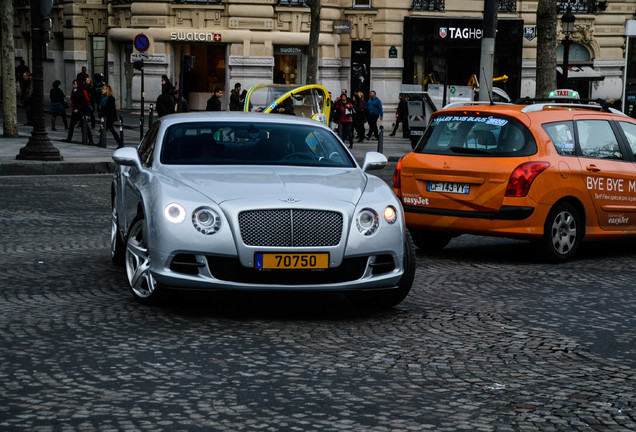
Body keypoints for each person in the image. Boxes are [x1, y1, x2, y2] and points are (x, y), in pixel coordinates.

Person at [63, 80, 94, 144]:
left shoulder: (81, 92)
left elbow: (83, 102)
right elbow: (74, 100)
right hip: (76, 110)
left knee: (84, 125)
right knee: (72, 124)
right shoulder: (74, 91)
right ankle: (69, 137)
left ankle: (90, 139)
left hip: (80, 111)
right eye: (73, 83)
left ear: (78, 85)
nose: (73, 84)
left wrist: (77, 108)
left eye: (75, 83)